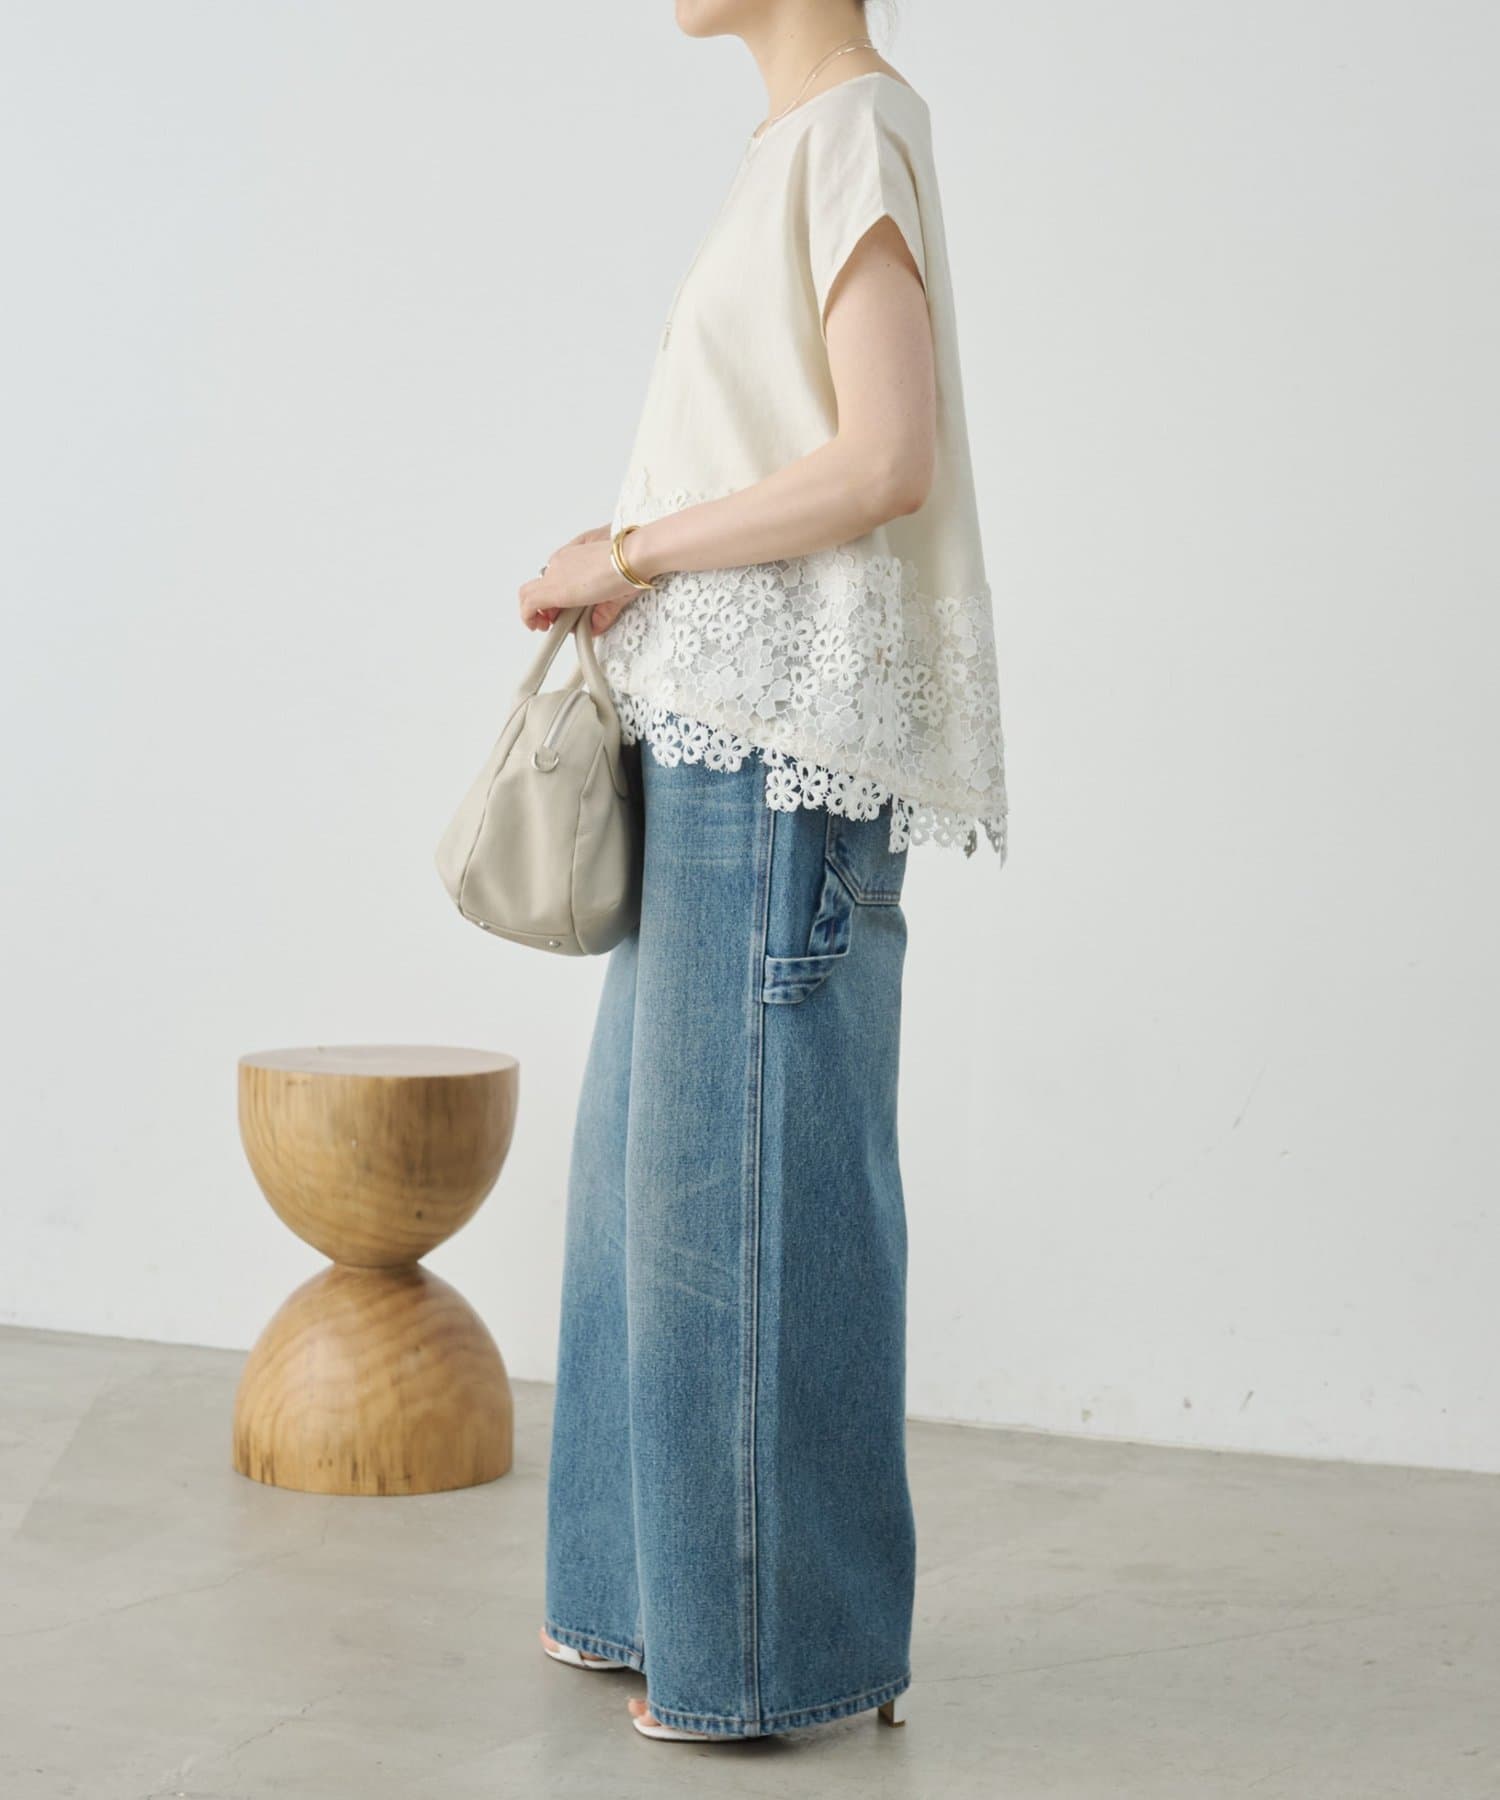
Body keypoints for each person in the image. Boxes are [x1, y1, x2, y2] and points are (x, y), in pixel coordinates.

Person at [518, 0, 1008, 1744]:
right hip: (711, 741)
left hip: (778, 759)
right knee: (643, 1195)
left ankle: (765, 1662)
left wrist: (629, 551)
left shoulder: (856, 126)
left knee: (747, 1204)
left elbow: (885, 459)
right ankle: (636, 1600)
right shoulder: (792, 145)